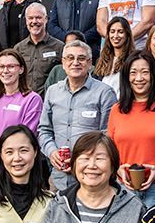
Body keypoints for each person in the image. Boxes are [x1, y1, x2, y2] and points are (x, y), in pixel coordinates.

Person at [107, 50, 155, 209]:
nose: (139, 78)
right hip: (124, 188)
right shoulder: (117, 110)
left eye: (145, 72)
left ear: (154, 76)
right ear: (126, 77)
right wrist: (117, 170)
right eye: (133, 73)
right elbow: (110, 150)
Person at [37, 40, 116, 191]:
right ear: (63, 62)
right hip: (58, 177)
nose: (75, 63)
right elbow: (44, 130)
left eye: (81, 58)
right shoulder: (53, 92)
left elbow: (108, 136)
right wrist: (52, 152)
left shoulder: (104, 93)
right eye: (70, 58)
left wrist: (83, 159)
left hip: (90, 176)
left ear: (89, 63)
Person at [0, 49, 44, 176]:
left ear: (21, 69)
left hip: (18, 167)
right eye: (1, 67)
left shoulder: (32, 100)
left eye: (11, 66)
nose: (5, 70)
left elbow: (26, 136)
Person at [14, 2, 65, 95]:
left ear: (46, 19)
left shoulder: (59, 47)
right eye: (30, 18)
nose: (34, 21)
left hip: (50, 101)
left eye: (38, 17)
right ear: (26, 21)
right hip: (25, 102)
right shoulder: (18, 49)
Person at [93, 15, 135, 88]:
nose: (115, 36)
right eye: (112, 32)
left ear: (127, 34)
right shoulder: (101, 61)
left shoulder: (133, 59)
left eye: (120, 32)